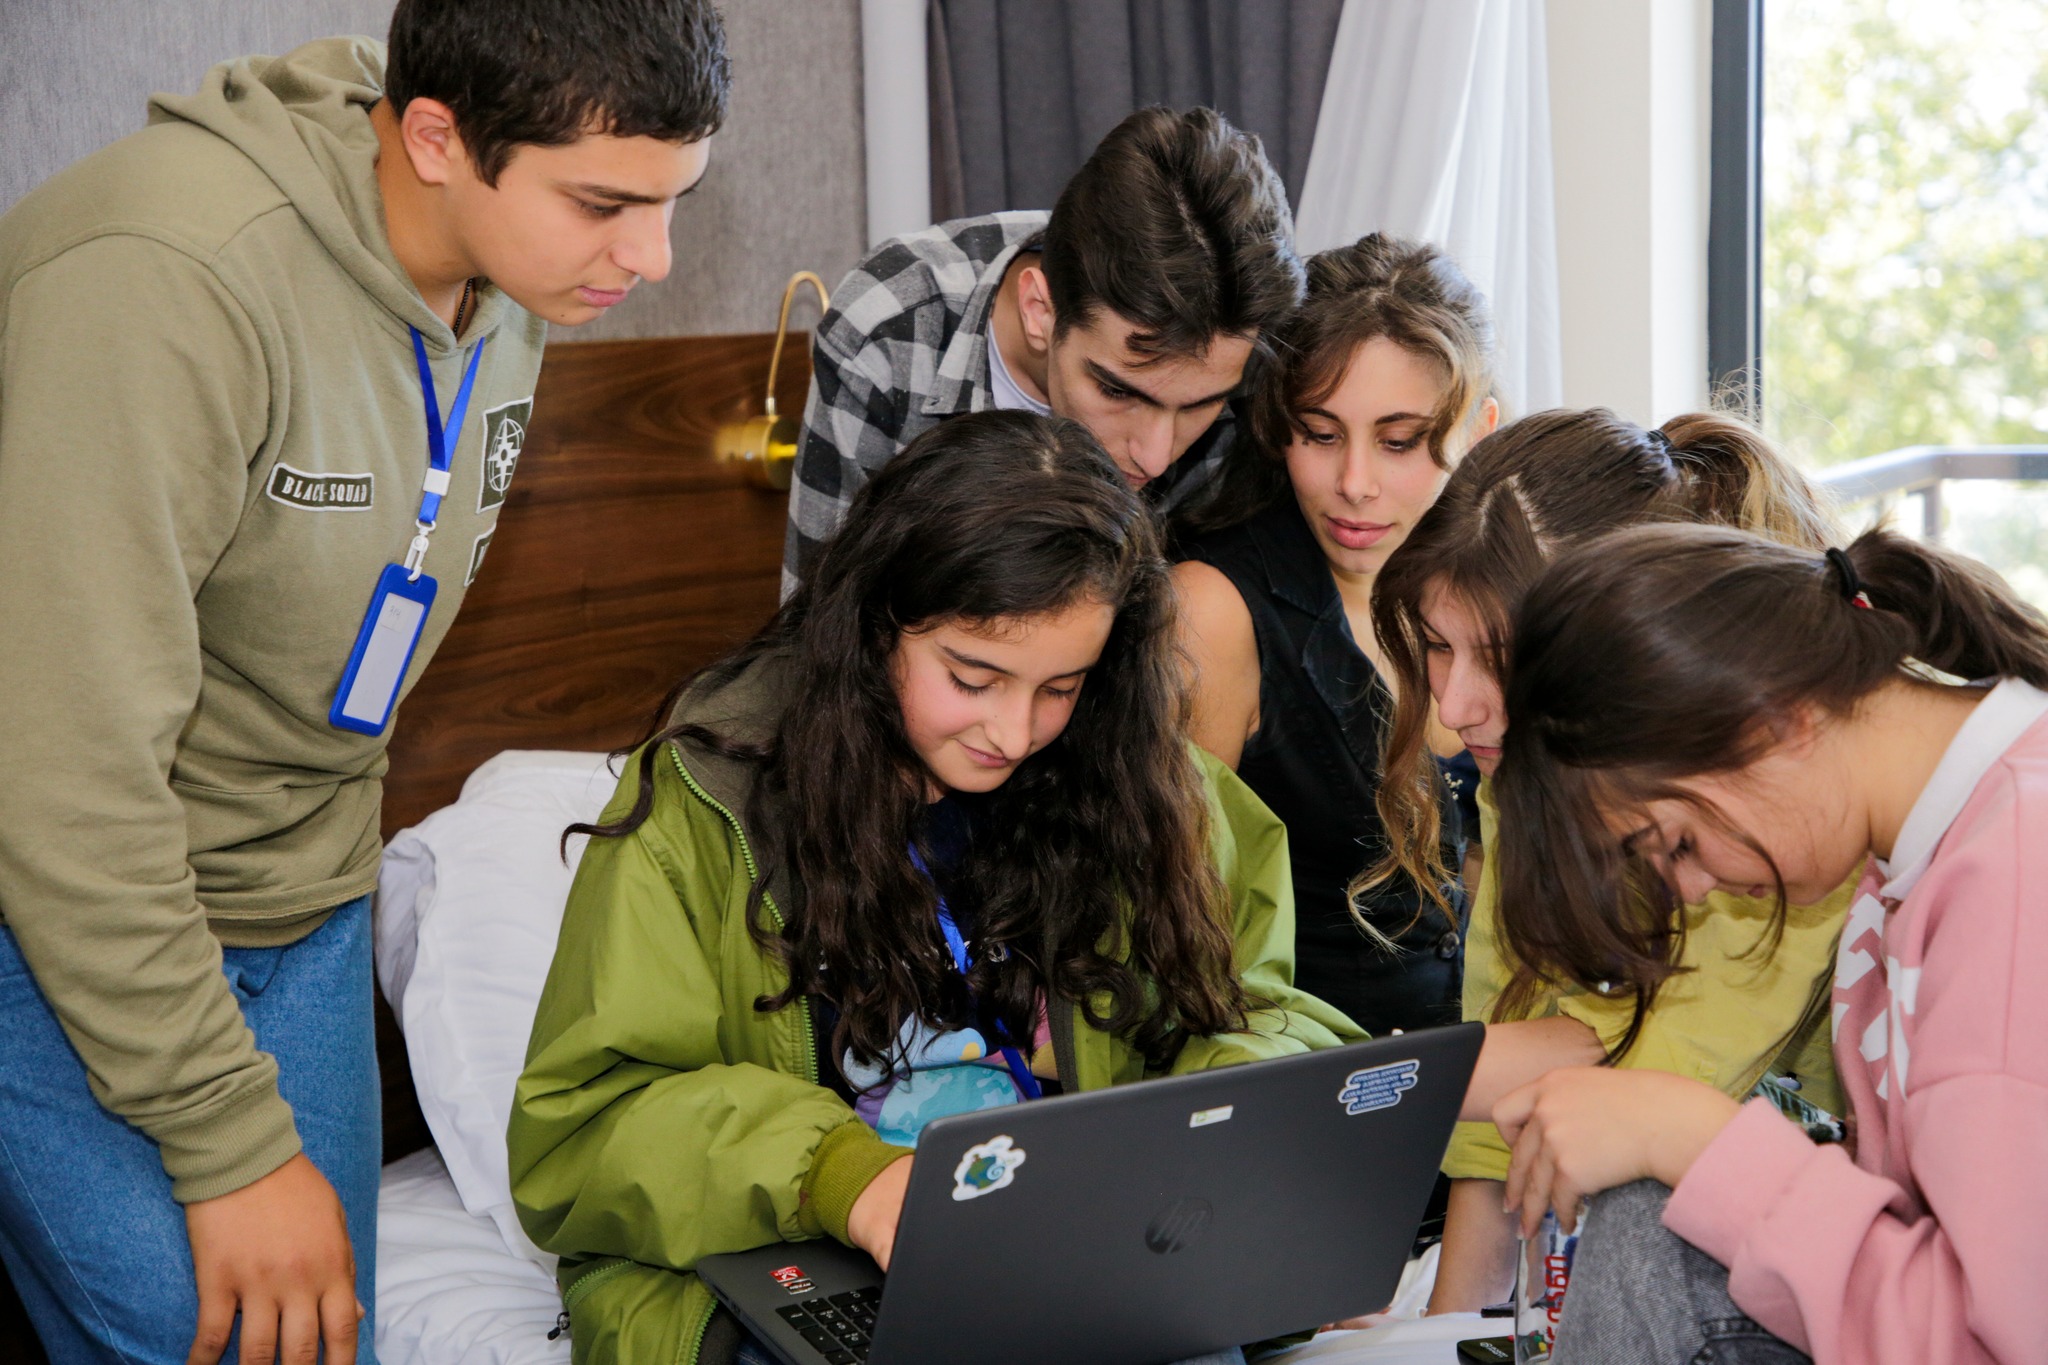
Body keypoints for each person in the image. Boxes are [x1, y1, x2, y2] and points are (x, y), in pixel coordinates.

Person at [507, 411, 1592, 1364]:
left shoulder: (1146, 787)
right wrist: (844, 1176)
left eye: (1059, 687)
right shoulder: (708, 804)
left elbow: (1250, 1014)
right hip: (787, 1258)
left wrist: (1219, 1136)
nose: (1013, 731)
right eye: (971, 676)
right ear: (875, 626)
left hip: (1084, 1259)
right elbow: (585, 1123)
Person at [0, 2, 728, 1360]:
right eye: (604, 205)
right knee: (209, 1332)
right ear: (438, 139)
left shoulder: (514, 278)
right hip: (53, 900)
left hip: (299, 887)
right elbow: (59, 774)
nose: (652, 256)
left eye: (674, 200)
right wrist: (225, 1137)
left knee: (328, 1334)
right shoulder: (162, 281)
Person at [1486, 522, 2048, 1364]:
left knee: (1647, 1229)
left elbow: (1992, 1340)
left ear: (1774, 723)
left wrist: (1695, 1139)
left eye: (1677, 843)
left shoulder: (2016, 872)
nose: (1691, 890)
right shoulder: (1918, 852)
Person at [1364, 409, 1854, 1313]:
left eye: (1499, 658)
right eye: (1437, 646)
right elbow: (1507, 1073)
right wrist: (1450, 1329)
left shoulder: (1761, 796)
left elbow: (1648, 1092)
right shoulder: (1522, 758)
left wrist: (1391, 1084)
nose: (1456, 708)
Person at [1174, 234, 1501, 1037]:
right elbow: (1179, 926)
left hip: (1493, 1067)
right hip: (1304, 1079)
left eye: (1399, 441)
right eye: (1320, 434)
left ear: (1480, 431)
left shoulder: (1510, 589)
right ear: (1276, 429)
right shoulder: (1212, 612)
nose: (1354, 483)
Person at [781, 105, 1306, 597]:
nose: (1155, 454)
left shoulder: (1257, 347)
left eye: (1200, 405)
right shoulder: (892, 326)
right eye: (1117, 391)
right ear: (1039, 310)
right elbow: (817, 627)